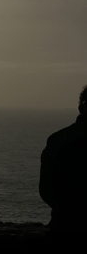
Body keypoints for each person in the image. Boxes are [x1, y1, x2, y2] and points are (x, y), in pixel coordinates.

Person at [39, 85, 87, 233]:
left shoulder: (58, 140)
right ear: (82, 107)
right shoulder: (60, 141)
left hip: (64, 225)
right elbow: (47, 188)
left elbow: (46, 189)